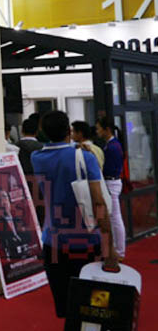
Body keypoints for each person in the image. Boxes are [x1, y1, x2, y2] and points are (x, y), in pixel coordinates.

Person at [32, 111, 118, 319]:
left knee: (66, 308)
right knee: (93, 307)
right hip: (86, 242)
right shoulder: (86, 157)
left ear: (43, 132)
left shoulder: (36, 158)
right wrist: (110, 247)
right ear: (69, 131)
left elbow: (58, 154)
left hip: (52, 242)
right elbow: (98, 203)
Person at [95, 116, 126, 259]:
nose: (97, 132)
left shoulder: (112, 147)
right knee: (113, 217)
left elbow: (108, 168)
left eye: (99, 129)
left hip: (111, 182)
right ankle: (117, 249)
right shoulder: (112, 144)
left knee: (115, 218)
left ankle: (119, 251)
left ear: (106, 129)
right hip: (112, 182)